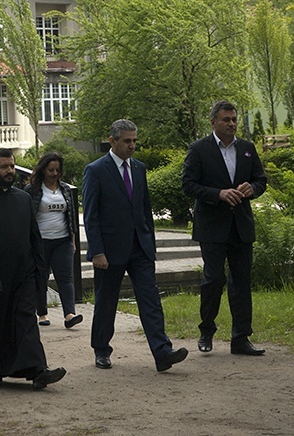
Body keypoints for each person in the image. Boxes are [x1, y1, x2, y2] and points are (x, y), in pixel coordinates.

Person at [82, 119, 188, 372]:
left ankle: (162, 352)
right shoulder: (96, 170)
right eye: (127, 141)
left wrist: (149, 244)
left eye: (134, 141)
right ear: (112, 141)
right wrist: (97, 250)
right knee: (106, 301)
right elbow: (90, 214)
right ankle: (101, 349)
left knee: (150, 299)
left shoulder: (139, 168)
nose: (132, 146)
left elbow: (143, 208)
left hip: (139, 248)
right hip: (109, 250)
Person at [0, 148, 66, 389]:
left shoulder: (23, 199)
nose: (10, 171)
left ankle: (39, 370)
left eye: (11, 166)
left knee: (26, 321)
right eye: (4, 167)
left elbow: (33, 237)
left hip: (23, 275)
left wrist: (39, 270)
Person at [182, 101, 267, 356]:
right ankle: (206, 330)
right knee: (214, 279)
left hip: (241, 226)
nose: (231, 124)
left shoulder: (247, 149)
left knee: (241, 282)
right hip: (212, 227)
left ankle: (241, 338)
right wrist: (217, 194)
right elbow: (188, 185)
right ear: (213, 122)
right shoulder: (198, 149)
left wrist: (253, 189)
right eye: (226, 120)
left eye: (234, 119)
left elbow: (261, 180)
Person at [25, 152, 82, 329]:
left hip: (62, 240)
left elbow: (71, 216)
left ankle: (69, 314)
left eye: (57, 170)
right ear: (43, 170)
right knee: (40, 278)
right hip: (41, 241)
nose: (54, 173)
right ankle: (42, 313)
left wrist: (72, 239)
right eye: (51, 170)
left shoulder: (65, 189)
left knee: (65, 277)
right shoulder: (32, 190)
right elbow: (26, 217)